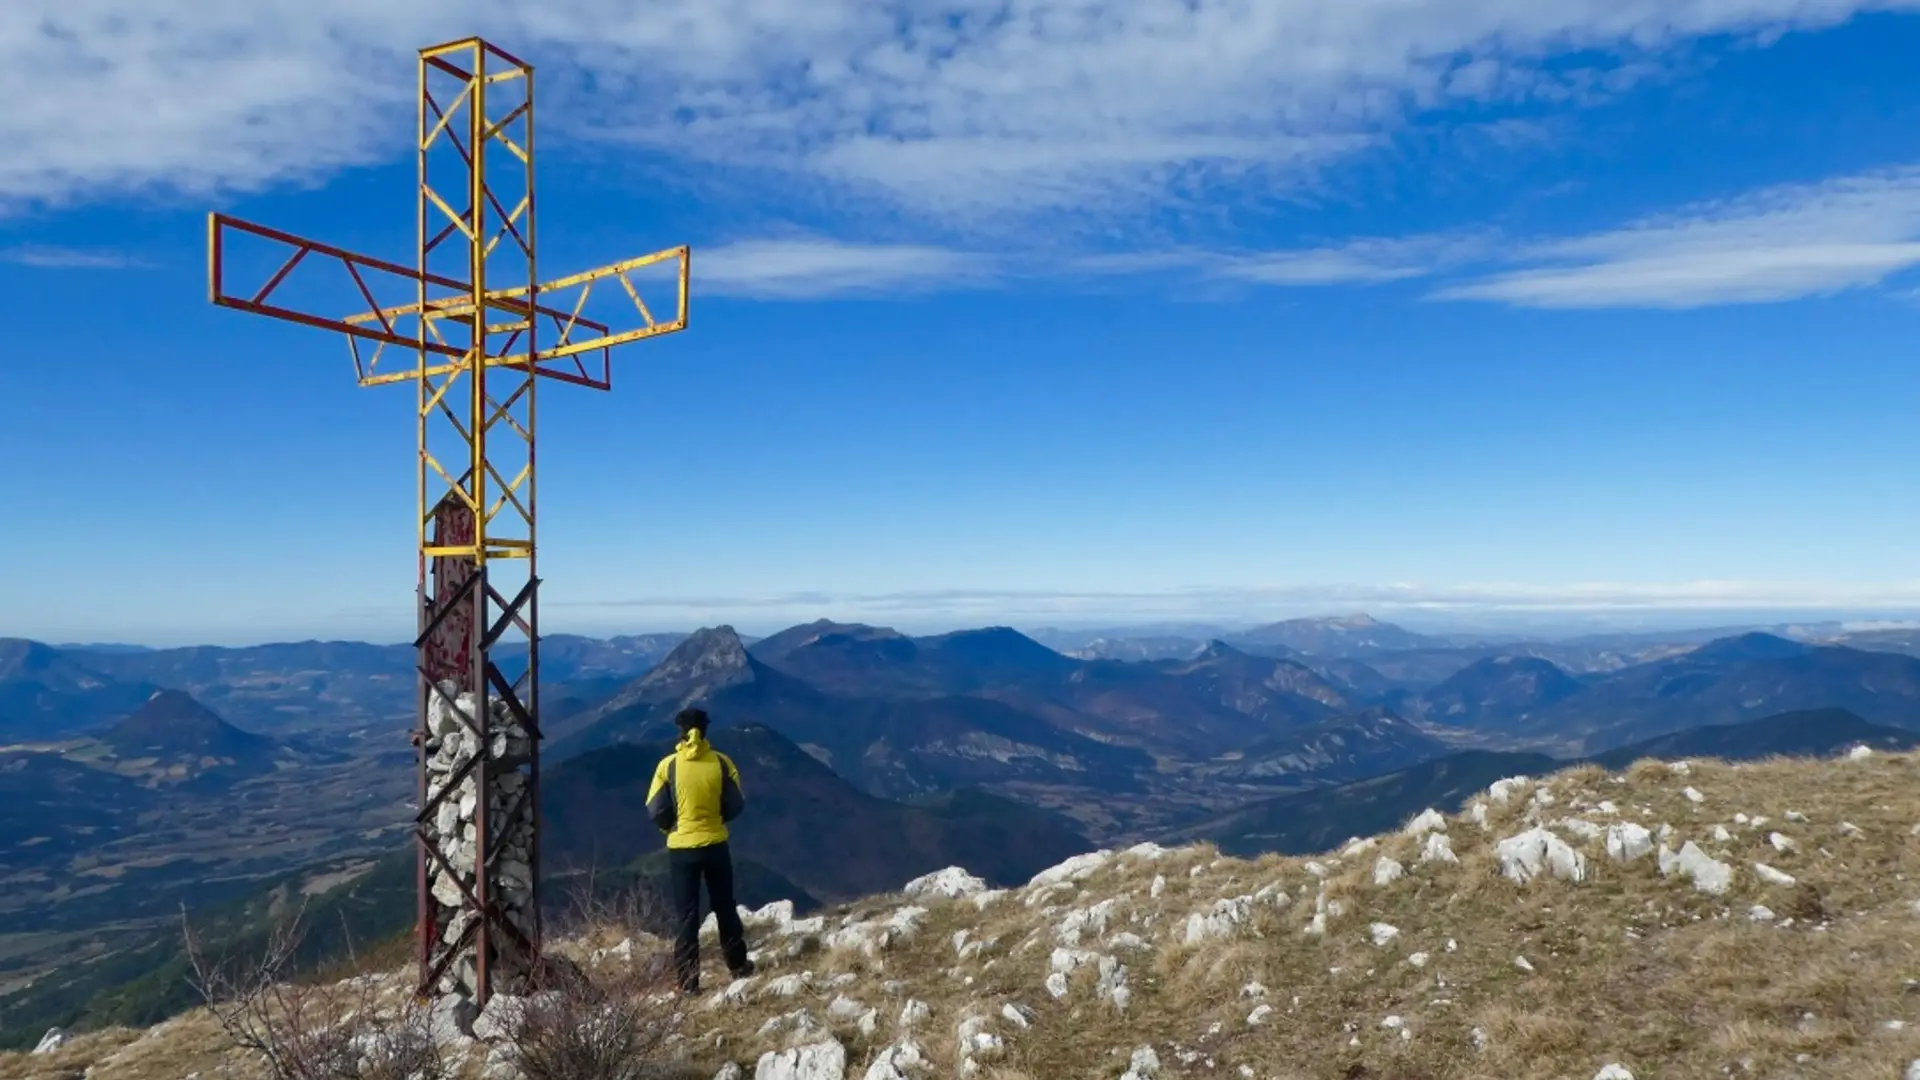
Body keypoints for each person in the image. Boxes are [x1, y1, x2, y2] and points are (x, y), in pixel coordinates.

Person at [645, 707, 754, 993]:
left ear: (680, 732)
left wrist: (671, 828)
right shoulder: (721, 762)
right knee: (724, 907)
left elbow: (655, 809)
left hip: (681, 850)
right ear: (705, 730)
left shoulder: (667, 766)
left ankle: (689, 983)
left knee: (687, 916)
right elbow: (736, 802)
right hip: (716, 844)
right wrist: (716, 821)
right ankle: (738, 966)